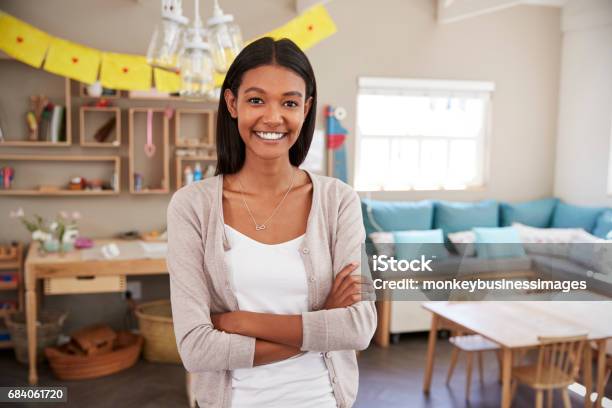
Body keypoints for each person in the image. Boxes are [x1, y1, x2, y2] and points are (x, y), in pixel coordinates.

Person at [167, 37, 377, 408]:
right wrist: (321, 322)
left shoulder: (338, 201)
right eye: (256, 99)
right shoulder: (192, 207)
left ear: (306, 108)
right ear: (232, 103)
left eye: (290, 103)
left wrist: (238, 321)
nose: (273, 117)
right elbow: (197, 349)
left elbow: (358, 327)